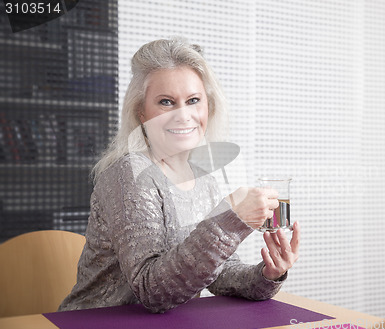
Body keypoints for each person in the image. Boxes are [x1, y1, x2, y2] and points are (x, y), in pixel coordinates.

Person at [58, 37, 300, 313]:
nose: (183, 115)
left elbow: (218, 270)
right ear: (142, 112)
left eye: (193, 100)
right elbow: (151, 289)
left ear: (208, 106)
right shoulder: (130, 175)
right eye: (166, 102)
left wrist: (268, 274)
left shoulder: (204, 178)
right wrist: (233, 219)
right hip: (95, 324)